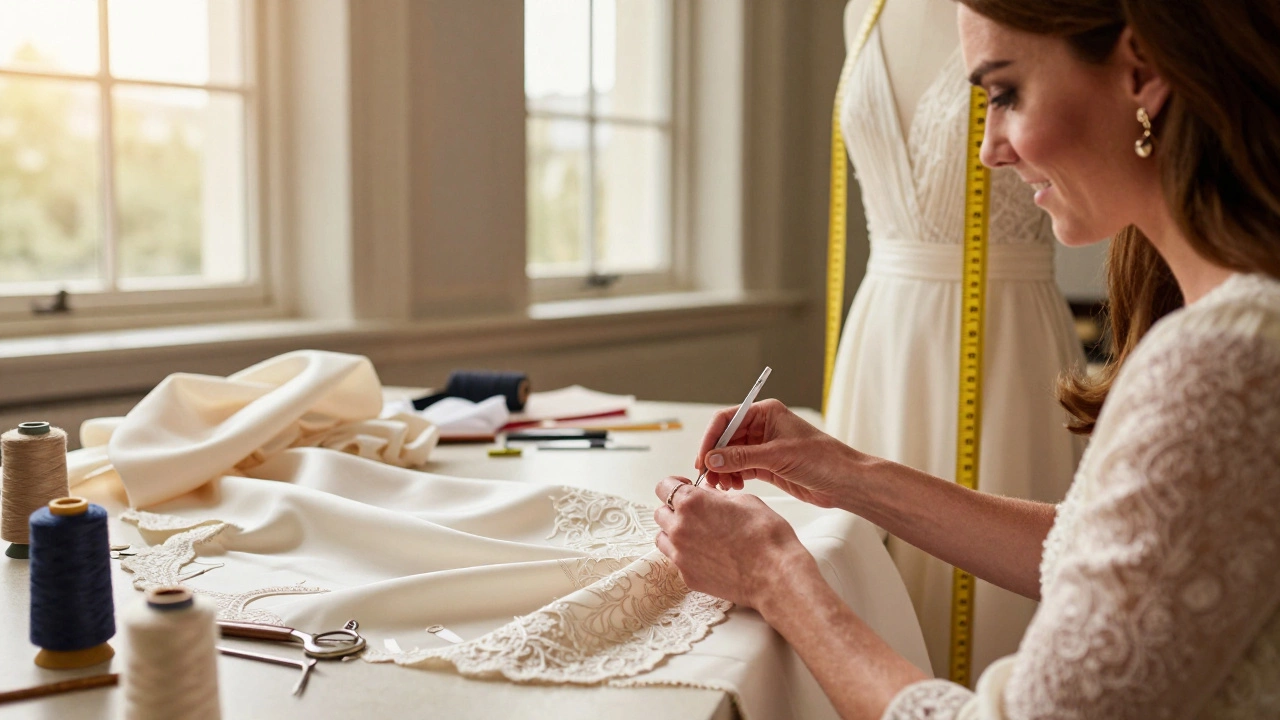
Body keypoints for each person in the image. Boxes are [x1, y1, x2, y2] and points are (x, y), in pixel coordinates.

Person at [654, 0, 1280, 717]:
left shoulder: (1218, 364)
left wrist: (773, 575)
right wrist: (847, 472)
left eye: (1008, 93)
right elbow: (1104, 550)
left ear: (1141, 70)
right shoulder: (1242, 326)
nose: (989, 149)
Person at [826, 0, 1086, 678]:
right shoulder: (865, 9)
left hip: (1007, 339)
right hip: (880, 332)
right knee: (866, 572)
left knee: (1004, 616)